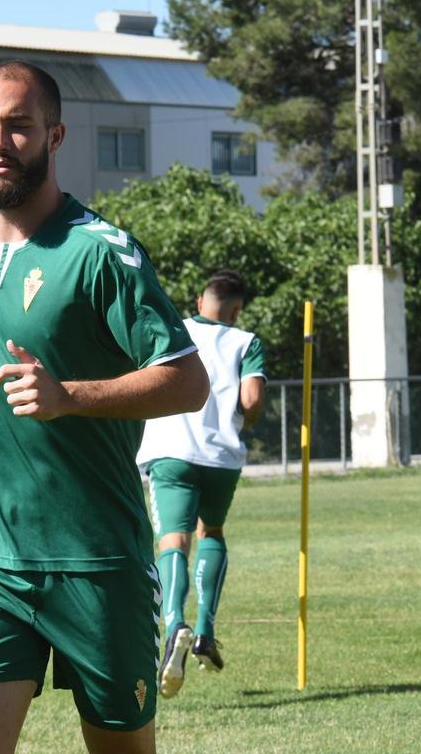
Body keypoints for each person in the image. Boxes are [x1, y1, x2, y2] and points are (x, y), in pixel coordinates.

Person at [0, 61, 209, 754]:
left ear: (55, 134)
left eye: (18, 125)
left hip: (97, 561)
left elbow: (187, 380)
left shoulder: (100, 254)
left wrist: (66, 396)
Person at [135, 270, 266, 699]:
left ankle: (176, 625)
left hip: (171, 450)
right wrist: (240, 421)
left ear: (198, 300)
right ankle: (206, 630)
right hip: (221, 457)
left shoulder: (173, 328)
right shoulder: (247, 342)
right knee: (212, 532)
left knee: (173, 541)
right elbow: (250, 401)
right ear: (236, 310)